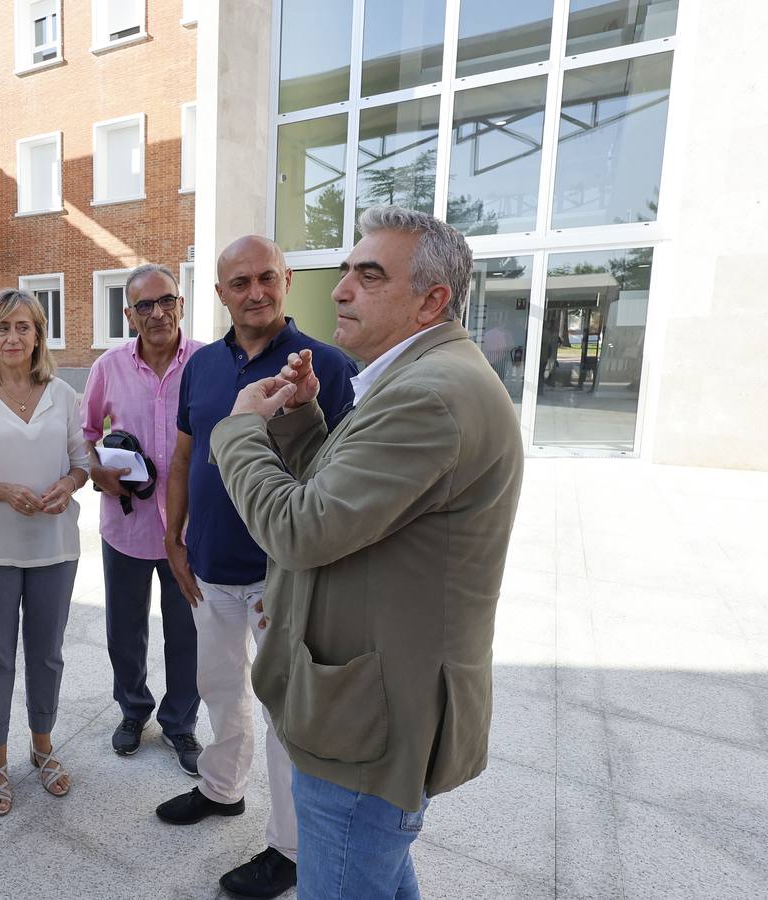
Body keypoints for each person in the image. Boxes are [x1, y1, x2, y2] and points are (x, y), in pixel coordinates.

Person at [209, 207, 524, 898]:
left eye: (368, 275)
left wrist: (236, 433)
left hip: (366, 725)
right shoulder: (418, 379)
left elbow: (300, 527)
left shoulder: (429, 395)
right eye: (346, 271)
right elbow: (353, 501)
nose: (340, 290)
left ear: (431, 300)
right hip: (372, 707)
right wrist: (298, 420)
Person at [157, 235, 358, 900]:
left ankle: (289, 848)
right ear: (219, 294)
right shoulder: (201, 366)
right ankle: (221, 789)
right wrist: (173, 537)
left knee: (284, 715)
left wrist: (310, 577)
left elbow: (340, 481)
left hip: (282, 576)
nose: (254, 292)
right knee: (219, 690)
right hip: (209, 567)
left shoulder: (325, 364)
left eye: (265, 278)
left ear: (287, 280)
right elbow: (184, 457)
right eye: (238, 282)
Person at [0, 288, 90, 816]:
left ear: (38, 335)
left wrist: (67, 485)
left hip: (54, 546)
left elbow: (82, 462)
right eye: (3, 327)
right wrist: (2, 491)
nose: (13, 337)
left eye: (23, 327)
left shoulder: (64, 395)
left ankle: (43, 745)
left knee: (47, 653)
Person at [79, 263, 204, 772]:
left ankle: (180, 724)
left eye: (166, 300)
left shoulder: (205, 362)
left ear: (181, 303)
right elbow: (84, 433)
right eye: (145, 305)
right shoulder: (107, 367)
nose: (158, 313)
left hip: (190, 530)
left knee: (187, 632)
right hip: (126, 526)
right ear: (129, 314)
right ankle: (134, 710)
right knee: (125, 631)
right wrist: (95, 471)